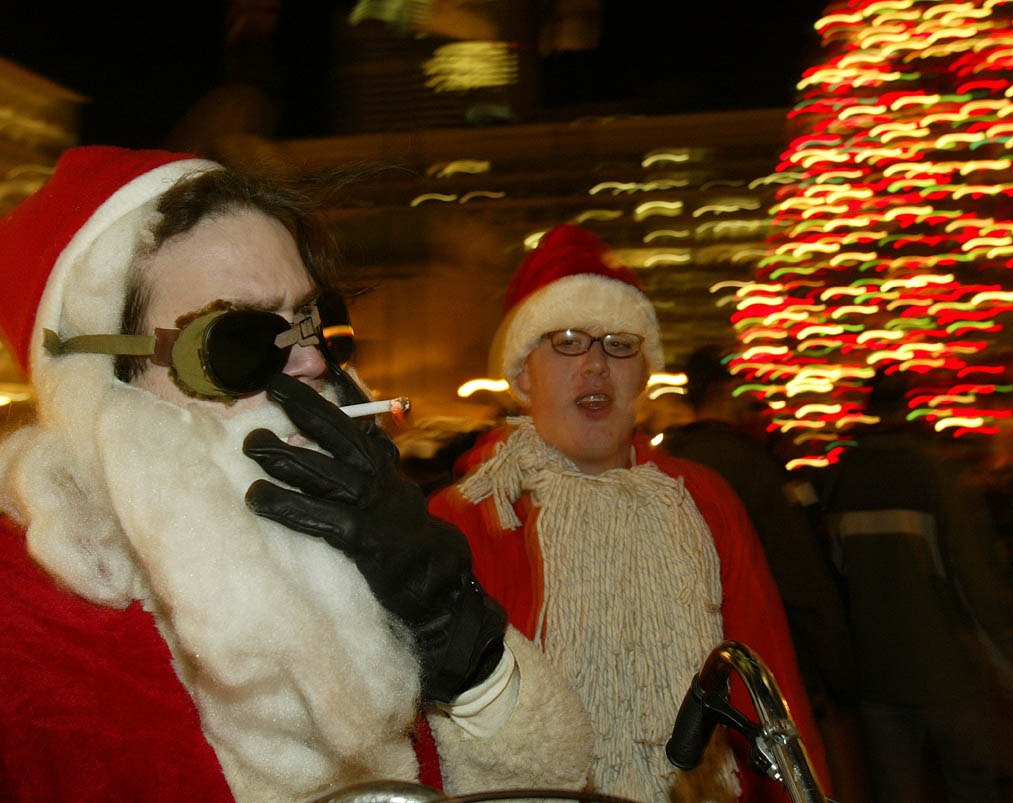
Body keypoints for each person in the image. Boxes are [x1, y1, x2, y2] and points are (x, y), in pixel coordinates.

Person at [0, 147, 593, 802]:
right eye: (239, 341)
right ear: (101, 382)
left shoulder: (370, 540)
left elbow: (546, 784)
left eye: (313, 319)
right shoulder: (23, 635)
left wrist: (469, 651)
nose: (310, 362)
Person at [428, 224, 830, 802]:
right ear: (522, 375)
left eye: (619, 343)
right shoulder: (469, 517)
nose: (595, 365)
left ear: (643, 372)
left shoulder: (704, 500)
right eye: (567, 340)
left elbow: (765, 684)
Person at [661, 345, 865, 803]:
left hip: (681, 679)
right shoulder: (753, 466)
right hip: (759, 661)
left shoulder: (662, 463)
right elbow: (800, 575)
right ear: (722, 391)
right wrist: (839, 665)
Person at [818, 371, 1013, 803]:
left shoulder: (841, 479)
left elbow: (836, 577)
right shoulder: (937, 475)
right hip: (947, 671)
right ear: (912, 408)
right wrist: (1005, 663)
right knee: (970, 786)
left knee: (896, 790)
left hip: (877, 672)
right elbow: (972, 578)